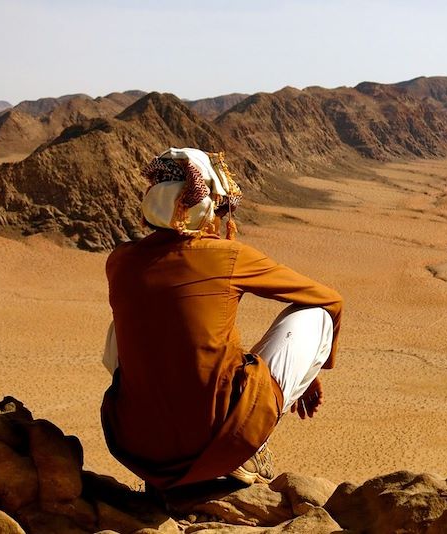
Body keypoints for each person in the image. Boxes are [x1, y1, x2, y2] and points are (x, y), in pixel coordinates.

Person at [100, 147, 343, 490]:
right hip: (216, 442)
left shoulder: (119, 260)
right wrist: (310, 374)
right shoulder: (227, 255)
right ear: (201, 206)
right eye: (217, 207)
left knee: (126, 324)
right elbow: (330, 300)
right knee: (316, 316)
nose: (220, 215)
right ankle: (247, 450)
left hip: (138, 448)